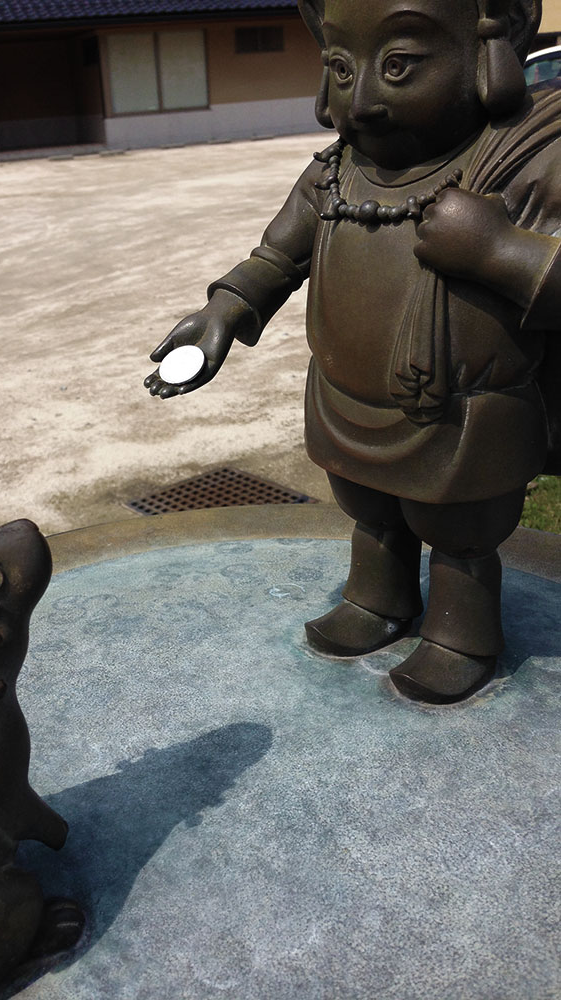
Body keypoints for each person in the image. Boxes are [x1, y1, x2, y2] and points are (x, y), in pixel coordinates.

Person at [145, 0, 561, 704]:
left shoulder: (526, 158)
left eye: (398, 65)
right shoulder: (335, 173)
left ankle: (461, 634)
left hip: (463, 407)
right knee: (369, 509)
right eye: (342, 68)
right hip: (345, 393)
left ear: (487, 44)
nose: (361, 100)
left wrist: (497, 250)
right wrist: (225, 309)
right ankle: (377, 599)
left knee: (460, 529)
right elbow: (278, 255)